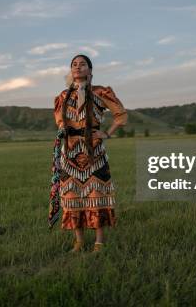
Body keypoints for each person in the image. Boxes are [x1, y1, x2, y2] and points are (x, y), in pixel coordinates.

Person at [53, 54, 128, 253]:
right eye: (74, 65)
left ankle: (99, 242)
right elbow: (60, 122)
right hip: (69, 154)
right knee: (71, 197)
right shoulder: (63, 96)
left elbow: (120, 114)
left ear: (90, 70)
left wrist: (106, 134)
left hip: (94, 151)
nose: (78, 67)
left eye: (82, 64)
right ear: (71, 70)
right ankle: (78, 242)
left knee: (97, 196)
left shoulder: (100, 92)